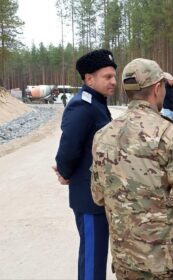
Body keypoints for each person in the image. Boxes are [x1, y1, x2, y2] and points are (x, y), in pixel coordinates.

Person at [91, 58, 173, 279]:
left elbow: (98, 196)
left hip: (125, 259)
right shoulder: (170, 135)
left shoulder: (102, 135)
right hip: (167, 262)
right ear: (157, 89)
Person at [53, 49, 117, 280]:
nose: (113, 82)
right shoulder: (82, 105)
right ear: (89, 79)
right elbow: (68, 148)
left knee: (97, 258)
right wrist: (64, 172)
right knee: (93, 261)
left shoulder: (97, 103)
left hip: (99, 197)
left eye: (114, 76)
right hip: (89, 199)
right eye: (107, 77)